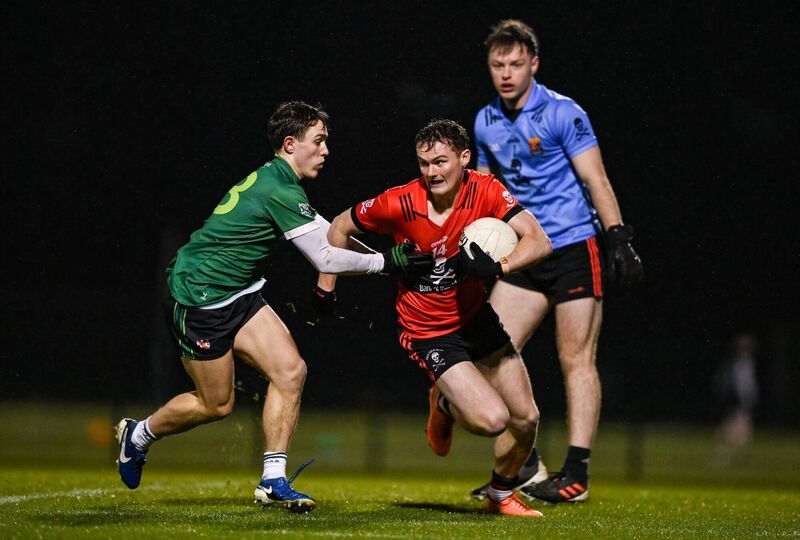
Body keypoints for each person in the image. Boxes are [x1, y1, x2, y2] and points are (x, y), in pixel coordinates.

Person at [115, 101, 433, 513]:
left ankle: (273, 480)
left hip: (238, 291)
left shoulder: (281, 184)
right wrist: (387, 262)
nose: (325, 150)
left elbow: (331, 237)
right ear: (290, 144)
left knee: (290, 371)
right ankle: (138, 435)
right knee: (217, 405)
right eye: (318, 141)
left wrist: (389, 261)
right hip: (199, 297)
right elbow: (325, 258)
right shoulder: (278, 188)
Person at [321, 119, 553, 517]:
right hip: (429, 332)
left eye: (441, 162)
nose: (432, 172)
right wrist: (331, 286)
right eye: (424, 163)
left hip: (476, 319)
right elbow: (339, 227)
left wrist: (499, 267)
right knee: (492, 420)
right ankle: (444, 402)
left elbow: (539, 240)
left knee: (527, 418)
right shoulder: (400, 202)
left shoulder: (487, 190)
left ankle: (500, 495)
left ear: (465, 159)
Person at [470, 20, 644, 503]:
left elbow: (597, 180)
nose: (506, 73)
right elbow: (484, 194)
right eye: (497, 65)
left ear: (534, 65)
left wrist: (619, 238)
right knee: (490, 353)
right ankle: (524, 464)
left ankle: (577, 473)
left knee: (575, 359)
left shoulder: (563, 113)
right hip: (524, 251)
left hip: (572, 246)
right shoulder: (485, 121)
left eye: (515, 64)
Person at [712, 332, 759, 465]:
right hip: (739, 404)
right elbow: (740, 386)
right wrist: (739, 402)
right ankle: (721, 458)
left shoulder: (745, 362)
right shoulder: (740, 363)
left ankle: (733, 459)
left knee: (741, 434)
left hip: (742, 404)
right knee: (737, 435)